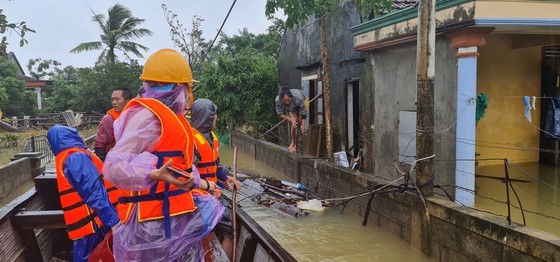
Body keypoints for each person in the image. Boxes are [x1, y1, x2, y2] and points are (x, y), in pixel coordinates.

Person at [103, 48, 224, 261]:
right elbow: (113, 167)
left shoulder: (173, 119)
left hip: (173, 221)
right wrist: (151, 174)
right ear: (178, 88)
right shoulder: (147, 117)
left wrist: (206, 185)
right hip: (150, 227)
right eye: (187, 88)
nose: (188, 95)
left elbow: (182, 168)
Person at [47, 124, 120, 262]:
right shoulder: (76, 158)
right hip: (95, 227)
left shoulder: (66, 158)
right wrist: (113, 221)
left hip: (85, 229)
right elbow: (94, 192)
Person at [190, 98, 240, 261]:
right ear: (207, 117)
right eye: (214, 115)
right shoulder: (192, 141)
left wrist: (225, 178)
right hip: (198, 198)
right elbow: (188, 174)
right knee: (231, 229)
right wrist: (206, 188)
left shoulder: (211, 137)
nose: (216, 118)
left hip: (211, 194)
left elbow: (214, 164)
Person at [94, 87, 133, 161]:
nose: (114, 102)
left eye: (117, 99)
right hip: (116, 158)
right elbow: (100, 142)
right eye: (112, 99)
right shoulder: (109, 119)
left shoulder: (135, 114)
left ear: (127, 101)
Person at [275, 87, 308, 152]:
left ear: (291, 97)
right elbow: (280, 113)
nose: (287, 102)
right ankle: (293, 142)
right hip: (292, 106)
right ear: (281, 99)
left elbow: (303, 112)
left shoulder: (298, 97)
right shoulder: (277, 100)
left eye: (288, 100)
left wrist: (303, 123)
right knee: (294, 122)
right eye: (285, 101)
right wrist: (290, 119)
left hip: (303, 100)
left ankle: (297, 146)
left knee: (300, 122)